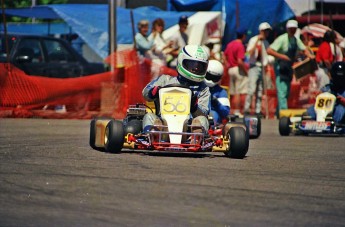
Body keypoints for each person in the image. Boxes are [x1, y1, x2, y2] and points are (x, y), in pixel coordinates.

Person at [142, 44, 210, 138]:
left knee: (202, 119)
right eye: (192, 64)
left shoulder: (203, 89)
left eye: (200, 66)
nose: (196, 69)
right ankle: (152, 136)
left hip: (188, 128)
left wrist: (194, 106)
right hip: (163, 123)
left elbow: (204, 113)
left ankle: (196, 138)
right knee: (149, 116)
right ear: (181, 61)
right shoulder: (165, 80)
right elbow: (145, 93)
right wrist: (153, 92)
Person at [267, 19, 314, 116]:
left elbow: (304, 49)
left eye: (294, 29)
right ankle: (284, 114)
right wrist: (282, 56)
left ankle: (278, 113)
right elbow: (269, 50)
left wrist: (310, 55)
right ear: (287, 29)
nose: (292, 31)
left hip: (288, 68)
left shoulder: (296, 40)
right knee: (282, 90)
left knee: (286, 91)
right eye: (290, 29)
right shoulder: (282, 39)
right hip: (281, 67)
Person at [243, 22, 272, 116]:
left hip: (262, 67)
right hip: (254, 67)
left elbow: (267, 55)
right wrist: (257, 42)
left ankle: (258, 110)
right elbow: (248, 54)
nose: (267, 33)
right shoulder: (253, 40)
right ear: (261, 31)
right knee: (251, 89)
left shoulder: (266, 42)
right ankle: (247, 108)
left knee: (260, 90)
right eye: (266, 31)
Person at [223, 28, 249, 115]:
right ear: (244, 36)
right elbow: (240, 61)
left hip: (231, 69)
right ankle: (238, 110)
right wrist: (246, 71)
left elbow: (224, 55)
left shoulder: (230, 44)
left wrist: (227, 65)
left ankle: (233, 110)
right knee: (239, 91)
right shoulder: (240, 45)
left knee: (233, 92)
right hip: (238, 69)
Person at [205, 60, 230, 124]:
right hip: (195, 112)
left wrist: (216, 102)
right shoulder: (197, 86)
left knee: (213, 115)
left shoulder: (221, 92)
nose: (210, 80)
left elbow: (225, 113)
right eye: (209, 76)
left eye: (214, 78)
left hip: (212, 118)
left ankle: (209, 131)